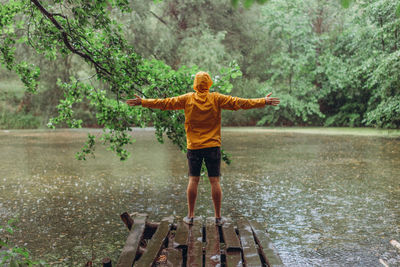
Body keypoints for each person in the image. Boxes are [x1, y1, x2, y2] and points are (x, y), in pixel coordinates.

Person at [126, 71, 280, 225]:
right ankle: (218, 217)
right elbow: (240, 103)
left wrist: (143, 102)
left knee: (193, 179)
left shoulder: (187, 99)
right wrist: (263, 101)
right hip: (213, 146)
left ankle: (191, 216)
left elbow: (165, 103)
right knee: (215, 181)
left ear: (195, 84)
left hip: (194, 147)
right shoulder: (217, 98)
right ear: (209, 83)